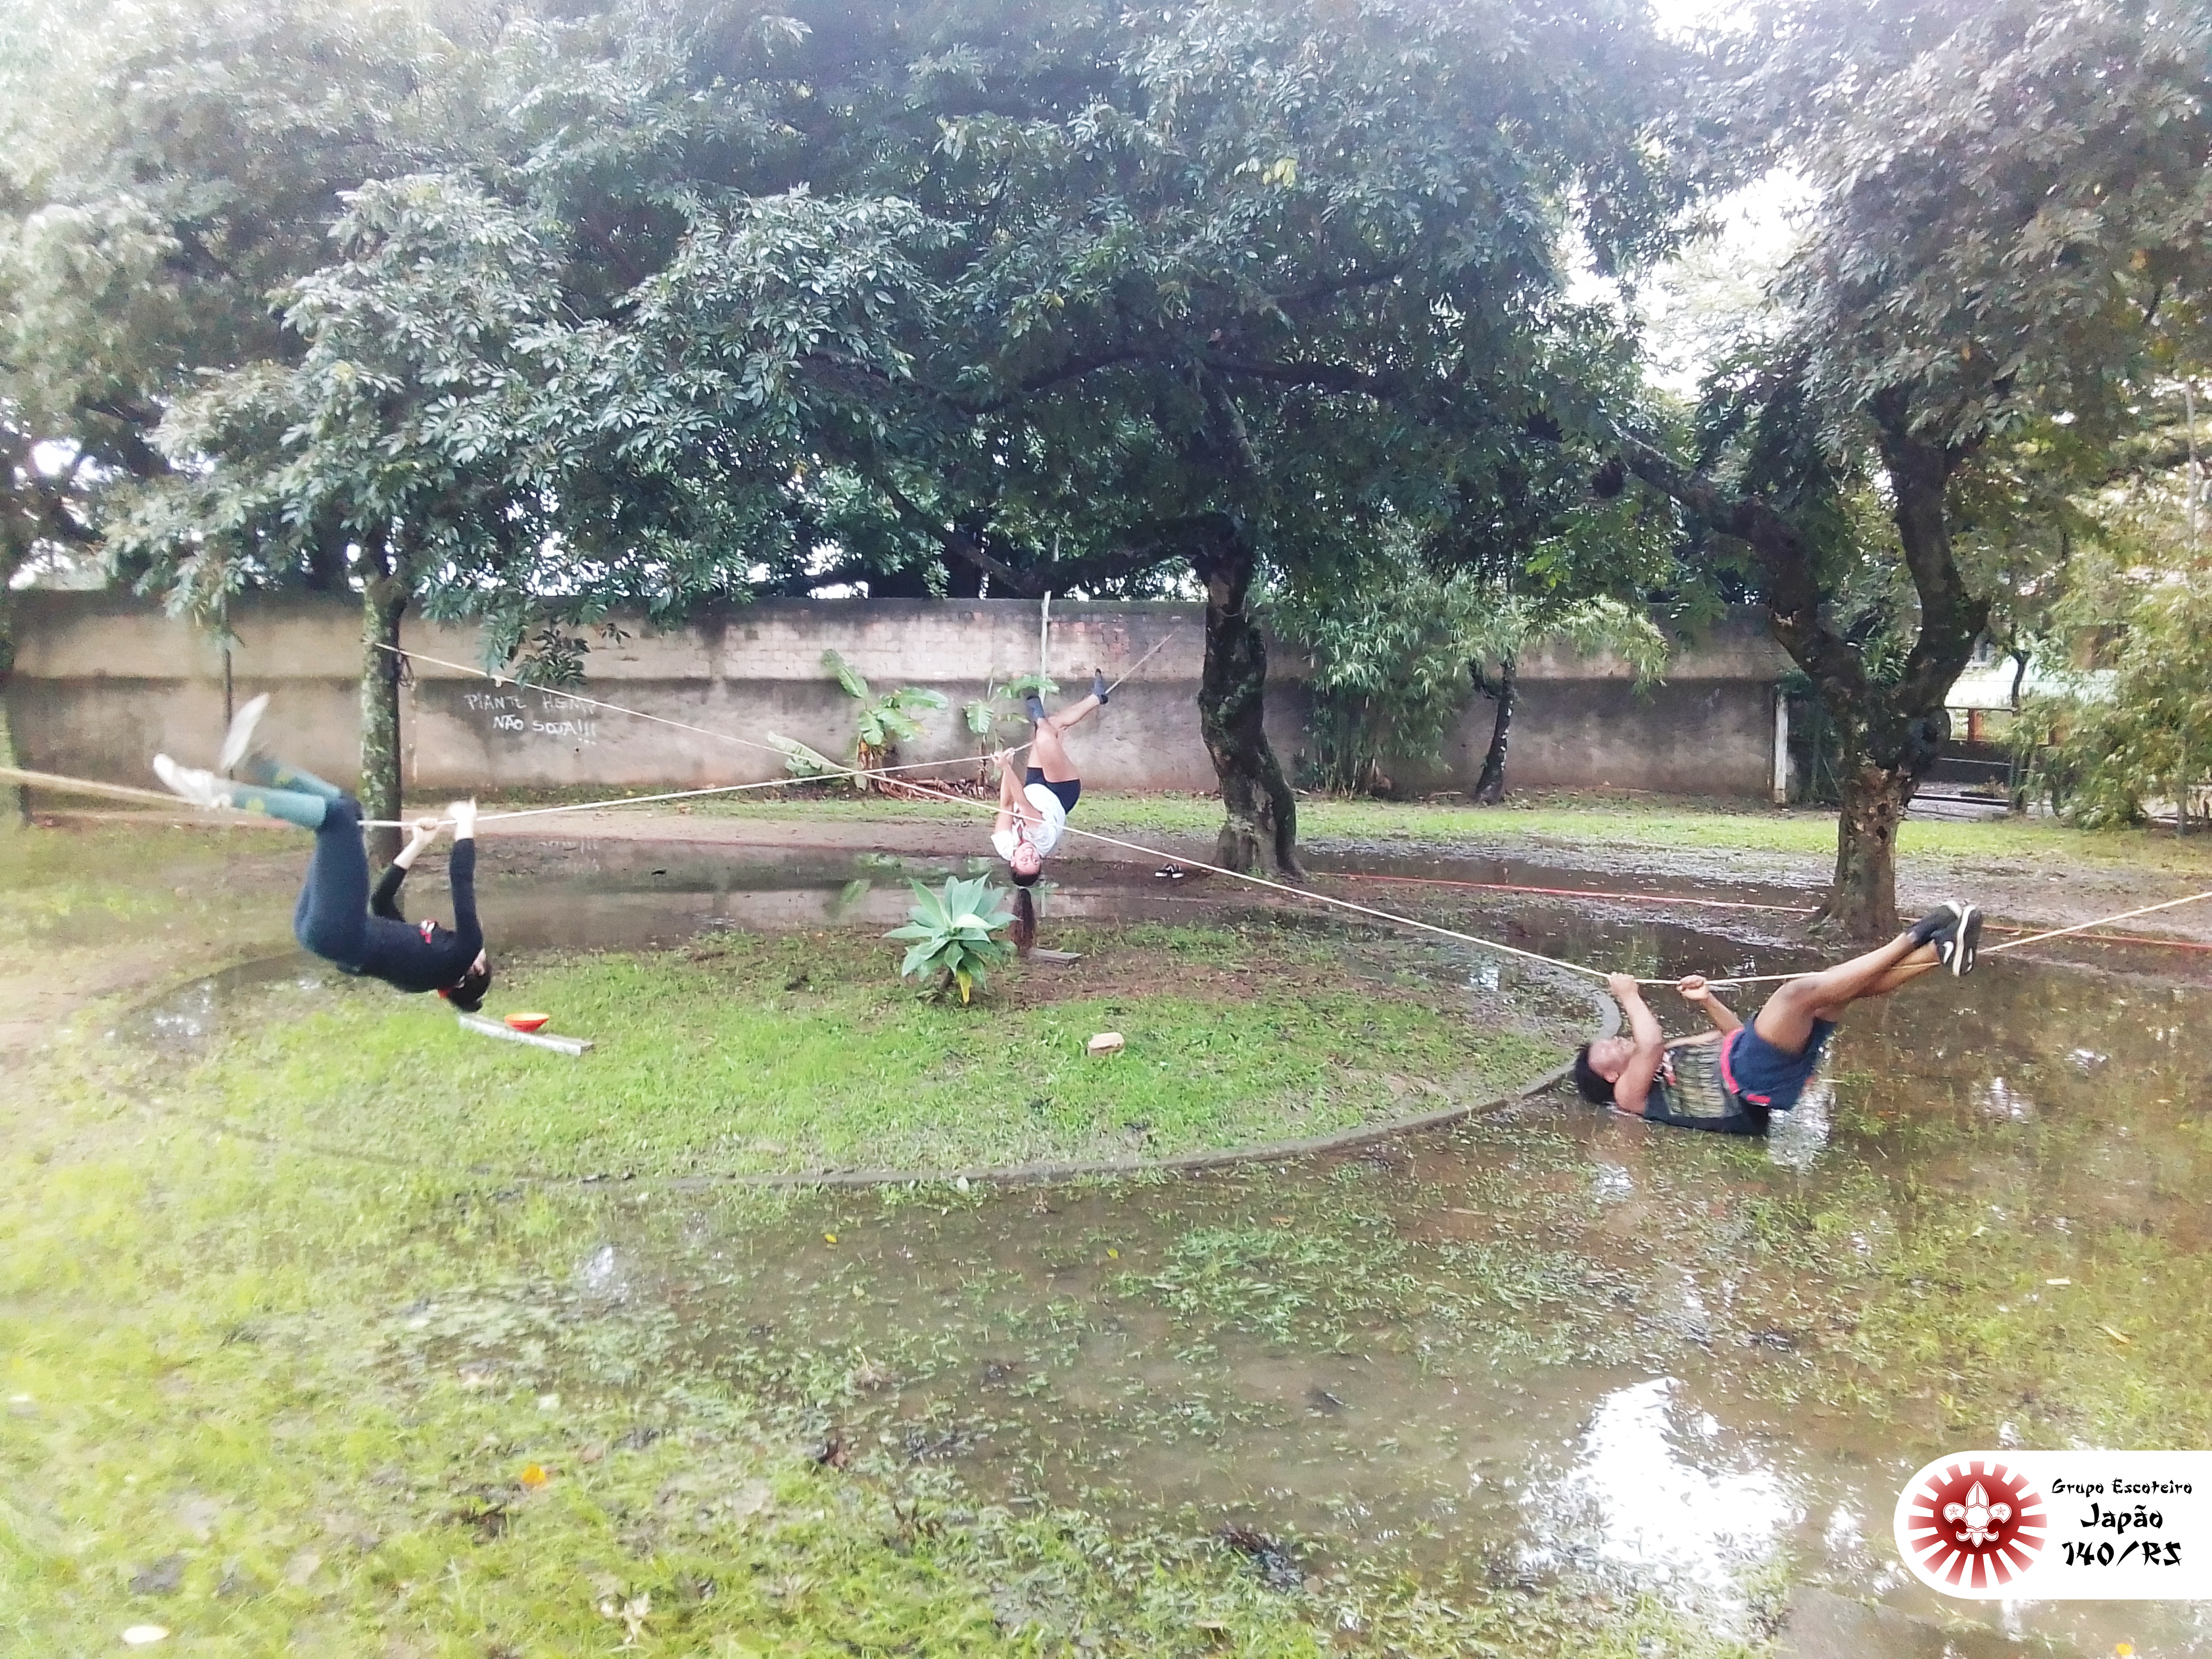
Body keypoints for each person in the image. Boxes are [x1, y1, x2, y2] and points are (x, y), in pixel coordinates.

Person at [150, 696, 492, 1009]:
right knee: (349, 809)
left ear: (473, 971)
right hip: (319, 931)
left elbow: (461, 881)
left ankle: (218, 792)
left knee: (338, 819)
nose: (482, 951)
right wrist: (418, 844)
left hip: (340, 930)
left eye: (484, 959)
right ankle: (255, 761)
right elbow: (382, 900)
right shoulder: (428, 963)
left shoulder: (459, 954)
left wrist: (466, 825)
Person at [1572, 901, 1983, 1135]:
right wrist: (1628, 995)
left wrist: (1707, 1000)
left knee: (1838, 992)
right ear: (1609, 1075)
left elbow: (1733, 1035)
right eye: (1605, 1049)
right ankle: (1920, 932)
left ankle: (1940, 952)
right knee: (1796, 994)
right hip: (1747, 1087)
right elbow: (1651, 1042)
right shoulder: (1628, 1096)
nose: (1614, 1040)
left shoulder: (1670, 1056)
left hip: (1748, 1065)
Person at [991, 670, 1110, 949]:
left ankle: (1097, 698)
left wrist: (1008, 768)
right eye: (1035, 861)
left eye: (1025, 860)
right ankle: (1038, 716)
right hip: (1061, 792)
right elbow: (1022, 805)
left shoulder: (1004, 844)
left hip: (1035, 786)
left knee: (1054, 727)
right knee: (1045, 737)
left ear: (1013, 861)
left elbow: (1007, 804)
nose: (1031, 855)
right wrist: (1006, 768)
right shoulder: (1042, 840)